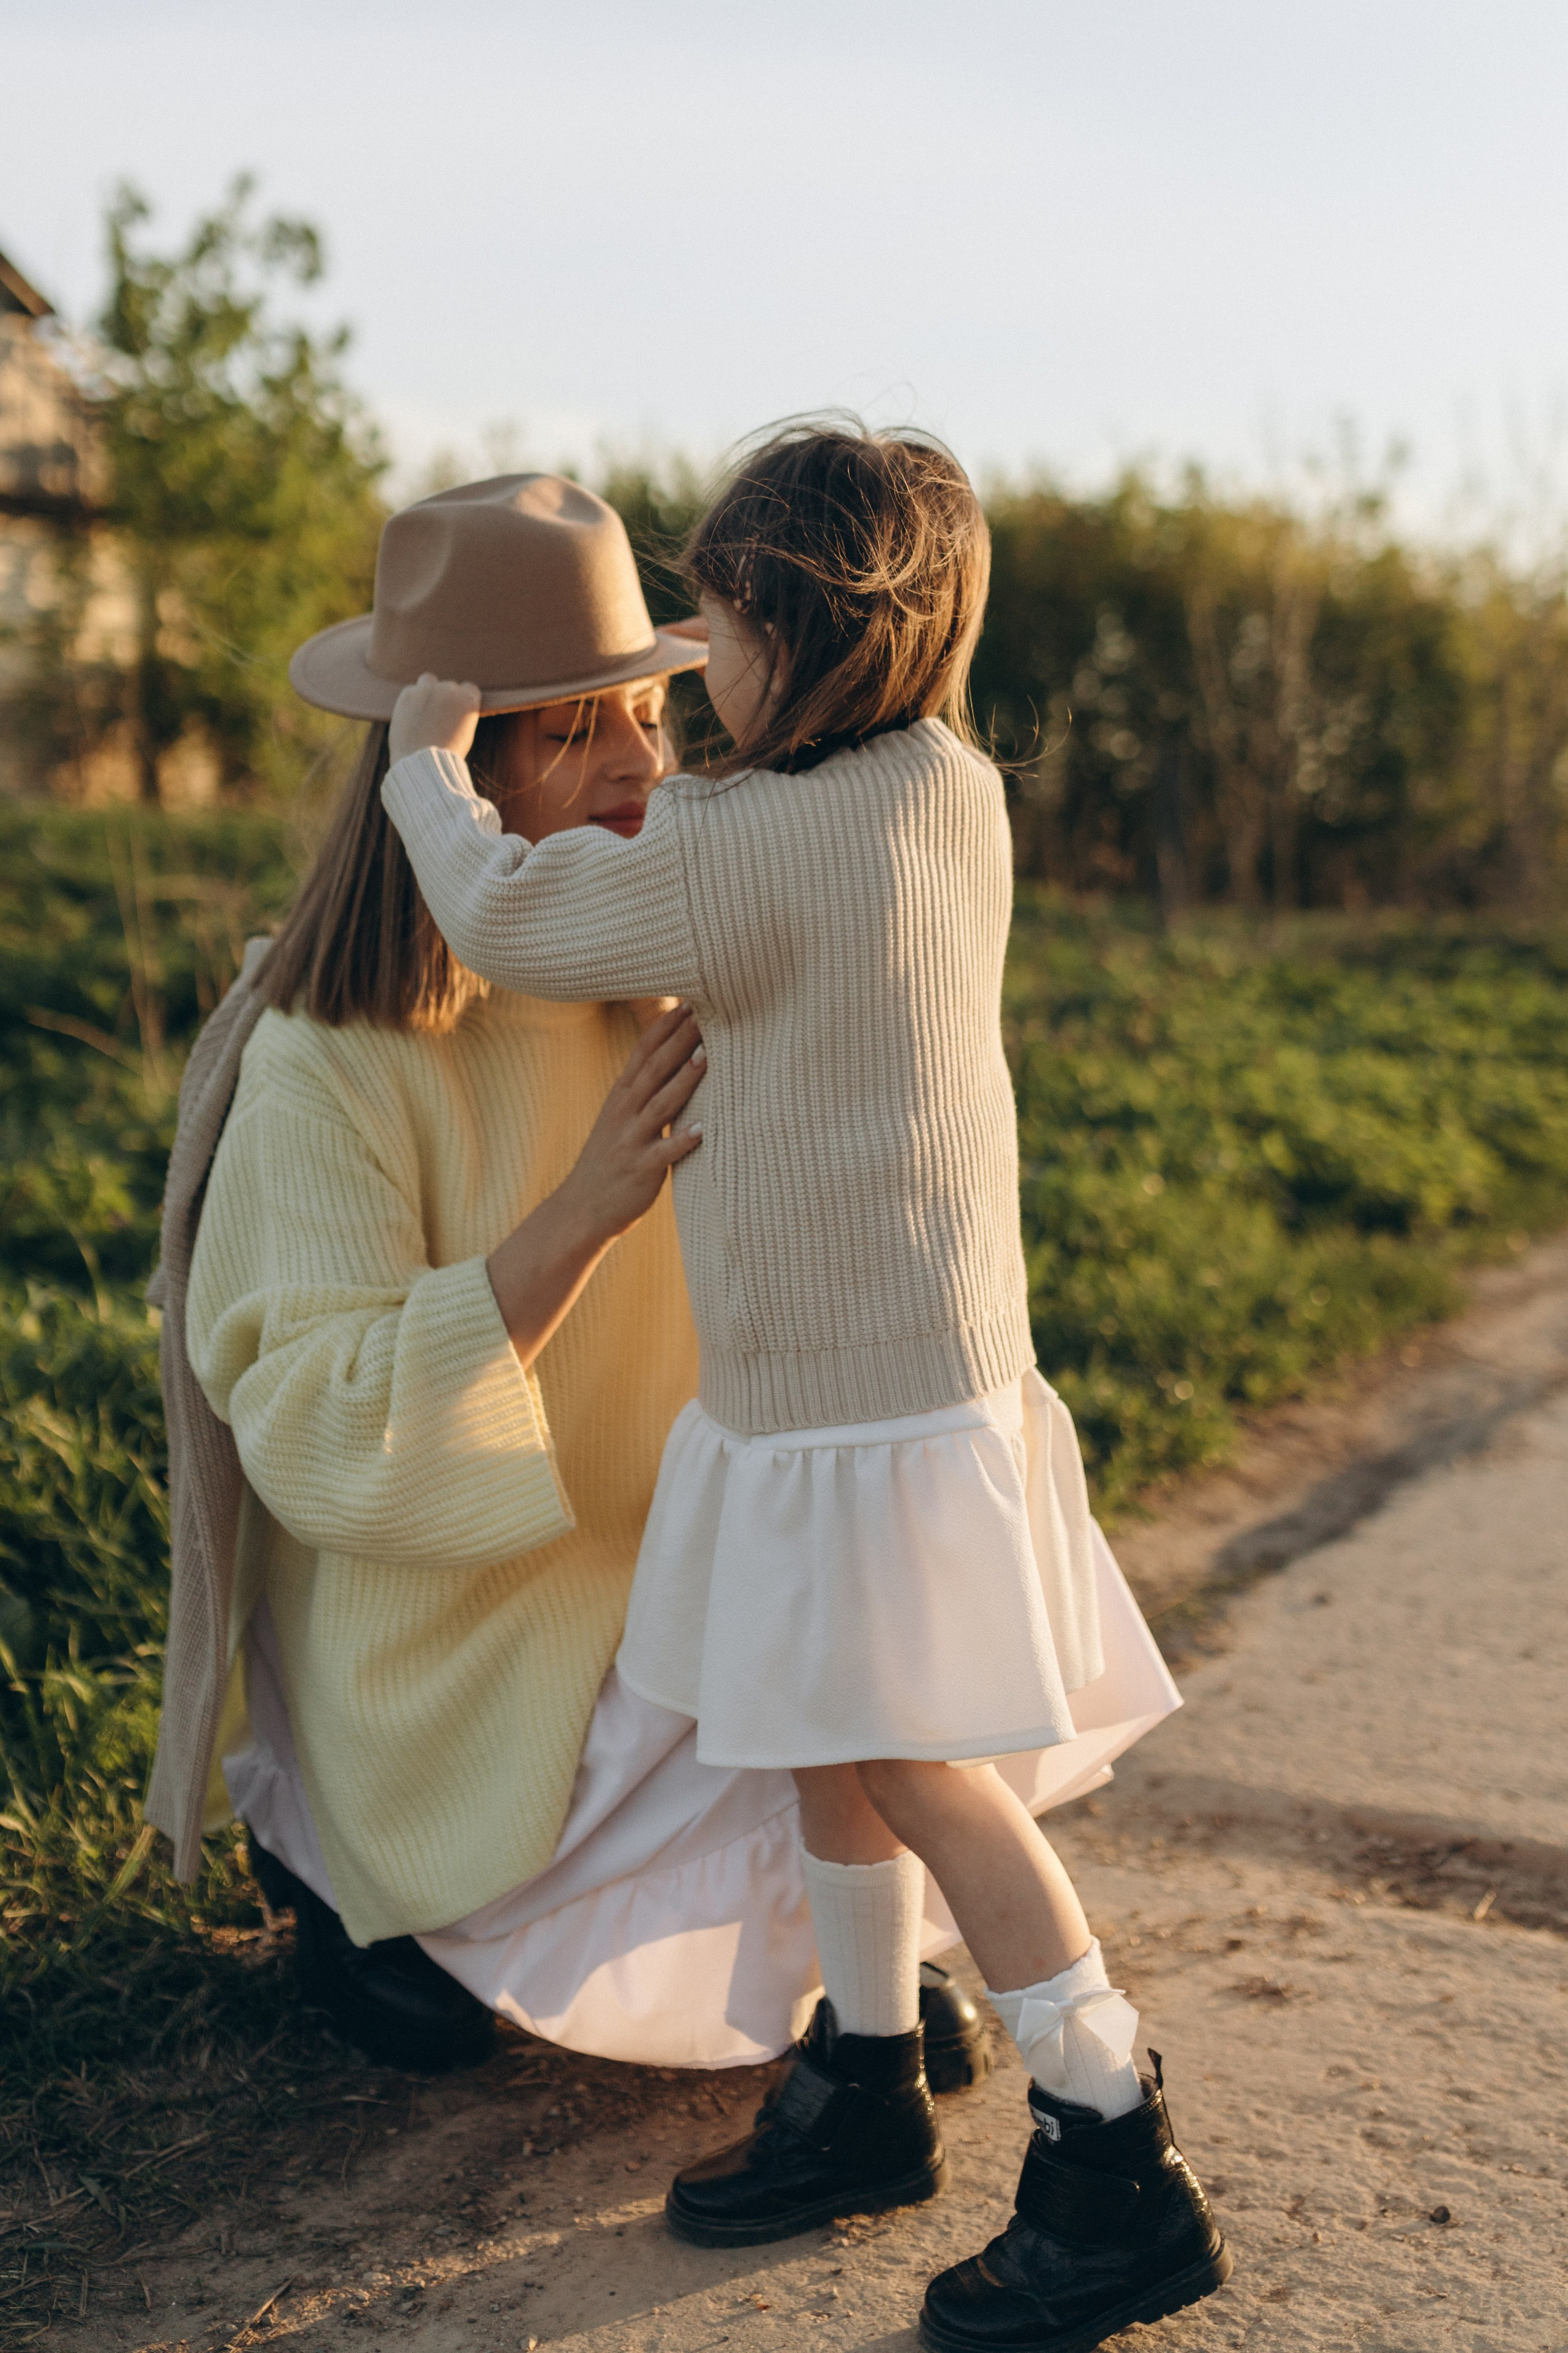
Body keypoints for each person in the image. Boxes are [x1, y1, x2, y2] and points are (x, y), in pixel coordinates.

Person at [379, 425, 1230, 2351]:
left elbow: (507, 917)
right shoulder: (947, 787)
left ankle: (1112, 2134)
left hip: (849, 1405)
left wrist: (434, 764)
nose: (694, 664)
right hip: (900, 1378)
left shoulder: (743, 849)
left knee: (916, 1764)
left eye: (717, 627)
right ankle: (864, 2066)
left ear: (803, 633)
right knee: (829, 1739)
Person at [148, 472, 995, 2086]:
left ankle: (840, 1969)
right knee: (749, 1745)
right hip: (466, 1639)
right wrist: (581, 1213)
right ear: (449, 774)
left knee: (886, 1658)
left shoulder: (667, 965)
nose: (637, 766)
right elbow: (312, 1420)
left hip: (661, 1579)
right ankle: (341, 1864)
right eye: (566, 732)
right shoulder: (333, 1056)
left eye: (649, 717)